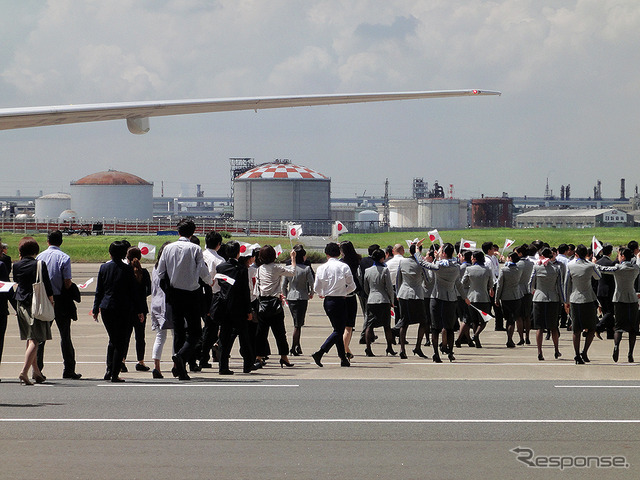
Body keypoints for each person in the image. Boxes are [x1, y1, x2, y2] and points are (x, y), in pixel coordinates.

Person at [156, 219, 212, 380]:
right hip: (192, 293)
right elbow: (202, 269)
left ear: (178, 232)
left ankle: (179, 367)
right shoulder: (195, 248)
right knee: (195, 332)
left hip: (174, 294)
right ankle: (181, 357)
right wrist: (210, 281)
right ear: (192, 233)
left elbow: (160, 272)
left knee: (179, 331)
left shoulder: (168, 248)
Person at [93, 241, 143, 382]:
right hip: (122, 308)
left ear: (110, 253)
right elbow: (133, 292)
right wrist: (139, 310)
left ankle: (109, 370)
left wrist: (96, 308)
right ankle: (114, 373)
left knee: (113, 340)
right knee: (120, 342)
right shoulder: (127, 269)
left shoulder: (104, 268)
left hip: (107, 308)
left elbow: (99, 291)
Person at [35, 230, 81, 379]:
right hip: (60, 300)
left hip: (44, 299)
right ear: (61, 242)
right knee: (65, 336)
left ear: (48, 241)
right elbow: (67, 283)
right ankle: (68, 369)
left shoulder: (39, 257)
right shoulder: (64, 257)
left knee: (41, 337)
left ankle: (37, 369)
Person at [12, 237, 53, 385]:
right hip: (35, 304)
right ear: (35, 250)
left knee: (30, 338)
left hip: (21, 303)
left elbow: (17, 281)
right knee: (36, 339)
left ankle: (36, 372)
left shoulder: (16, 266)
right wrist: (51, 301)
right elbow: (47, 285)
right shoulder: (39, 264)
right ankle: (24, 371)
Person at [311, 242, 356, 367]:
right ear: (339, 253)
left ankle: (343, 358)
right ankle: (320, 352)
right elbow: (352, 286)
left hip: (328, 301)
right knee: (339, 330)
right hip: (340, 300)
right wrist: (344, 292)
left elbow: (316, 287)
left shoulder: (321, 268)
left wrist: (322, 293)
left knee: (338, 329)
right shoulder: (344, 267)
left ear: (326, 254)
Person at [215, 241, 257, 374]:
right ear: (239, 253)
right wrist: (248, 310)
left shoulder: (221, 267)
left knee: (225, 338)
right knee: (244, 338)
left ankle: (223, 366)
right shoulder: (242, 269)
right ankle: (248, 364)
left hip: (225, 307)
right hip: (239, 308)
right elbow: (245, 291)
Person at [254, 245, 296, 367]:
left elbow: (256, 288)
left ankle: (259, 357)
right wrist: (293, 258)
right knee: (280, 333)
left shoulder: (259, 269)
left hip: (262, 303)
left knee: (261, 333)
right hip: (275, 303)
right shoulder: (276, 268)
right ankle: (284, 356)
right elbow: (292, 272)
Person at [596, 248, 640, 363]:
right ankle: (630, 353)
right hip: (632, 299)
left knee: (619, 326)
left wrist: (595, 263)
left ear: (623, 257)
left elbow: (603, 269)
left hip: (619, 299)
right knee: (633, 329)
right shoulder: (635, 268)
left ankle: (616, 346)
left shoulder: (618, 268)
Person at [396, 243, 438, 359]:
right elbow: (428, 280)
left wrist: (398, 293)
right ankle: (417, 346)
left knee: (404, 321)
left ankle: (402, 348)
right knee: (423, 321)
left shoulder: (403, 262)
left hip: (404, 293)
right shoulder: (421, 265)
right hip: (417, 294)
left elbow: (398, 278)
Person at [564, 244, 600, 364]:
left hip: (575, 298)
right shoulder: (590, 265)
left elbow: (566, 284)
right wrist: (593, 263)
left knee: (576, 329)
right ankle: (584, 352)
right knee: (591, 327)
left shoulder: (570, 265)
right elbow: (598, 276)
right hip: (588, 298)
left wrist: (566, 300)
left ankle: (576, 354)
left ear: (576, 254)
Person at [430, 243, 466, 362]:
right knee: (449, 327)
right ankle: (450, 352)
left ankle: (436, 353)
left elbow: (425, 264)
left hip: (437, 297)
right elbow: (458, 283)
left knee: (435, 328)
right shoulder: (456, 266)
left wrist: (416, 253)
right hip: (450, 298)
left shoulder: (439, 265)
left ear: (444, 253)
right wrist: (465, 297)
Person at [531, 247, 563, 361]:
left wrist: (533, 292)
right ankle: (556, 350)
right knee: (554, 326)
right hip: (553, 298)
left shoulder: (536, 266)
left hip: (539, 297)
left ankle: (539, 351)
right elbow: (559, 286)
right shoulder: (556, 268)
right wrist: (563, 299)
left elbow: (531, 283)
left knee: (539, 327)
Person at [362, 249, 396, 356]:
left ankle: (368, 348)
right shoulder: (385, 270)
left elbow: (365, 287)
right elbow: (389, 288)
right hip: (383, 299)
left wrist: (370, 295)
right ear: (382, 258)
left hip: (371, 299)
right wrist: (392, 300)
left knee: (369, 325)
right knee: (386, 326)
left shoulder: (367, 271)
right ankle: (389, 347)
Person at [282, 245, 315, 356]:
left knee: (297, 322)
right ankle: (293, 346)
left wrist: (286, 296)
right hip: (302, 297)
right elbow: (312, 283)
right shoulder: (306, 269)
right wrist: (311, 293)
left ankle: (297, 345)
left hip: (291, 296)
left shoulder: (288, 268)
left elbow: (284, 285)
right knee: (298, 324)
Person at [123, 246, 151, 372]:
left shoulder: (124, 271)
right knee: (140, 337)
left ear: (127, 257)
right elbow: (149, 290)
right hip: (141, 308)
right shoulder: (144, 272)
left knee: (125, 336)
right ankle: (141, 361)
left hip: (127, 308)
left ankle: (122, 360)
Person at [200, 231, 225, 367]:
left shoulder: (199, 255)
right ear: (218, 245)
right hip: (214, 296)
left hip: (199, 294)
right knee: (211, 329)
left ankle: (202, 356)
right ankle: (203, 357)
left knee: (206, 328)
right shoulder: (220, 261)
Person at [149, 242, 173, 379]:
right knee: (176, 335)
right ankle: (176, 365)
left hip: (155, 304)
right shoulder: (168, 269)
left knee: (160, 336)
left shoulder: (155, 267)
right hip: (167, 304)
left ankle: (156, 366)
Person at [461, 251, 494, 349]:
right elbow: (491, 283)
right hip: (483, 297)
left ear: (475, 259)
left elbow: (463, 282)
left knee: (474, 320)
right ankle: (476, 336)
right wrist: (490, 288)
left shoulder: (469, 269)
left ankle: (476, 337)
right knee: (484, 320)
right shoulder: (487, 269)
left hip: (471, 296)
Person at [495, 252, 523, 349]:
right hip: (516, 295)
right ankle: (510, 339)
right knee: (513, 318)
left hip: (506, 297)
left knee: (509, 319)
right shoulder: (518, 269)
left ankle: (509, 339)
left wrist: (496, 298)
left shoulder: (504, 270)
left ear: (510, 258)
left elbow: (499, 285)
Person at [339, 240, 361, 359]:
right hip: (352, 295)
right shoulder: (357, 260)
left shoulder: (341, 263)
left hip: (341, 295)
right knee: (349, 326)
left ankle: (344, 349)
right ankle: (345, 349)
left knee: (342, 326)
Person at [357, 244, 379, 345]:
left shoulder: (362, 261)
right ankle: (363, 335)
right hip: (372, 291)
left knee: (366, 313)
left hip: (361, 291)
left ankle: (370, 333)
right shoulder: (376, 263)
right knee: (368, 314)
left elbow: (359, 275)